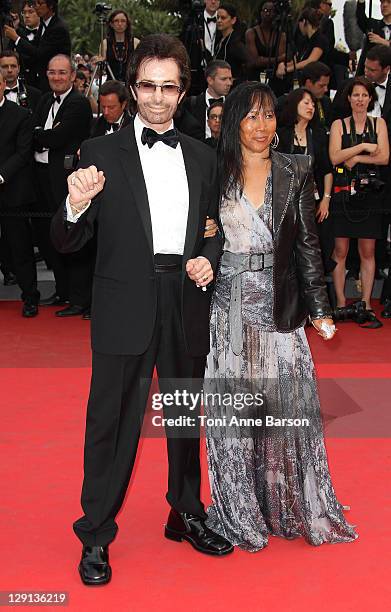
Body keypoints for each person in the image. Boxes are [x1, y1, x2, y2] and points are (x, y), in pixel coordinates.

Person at [50, 33, 233, 587]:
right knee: (111, 423)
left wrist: (207, 256)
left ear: (183, 93)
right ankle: (97, 533)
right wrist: (75, 202)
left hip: (184, 301)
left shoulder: (203, 156)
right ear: (133, 89)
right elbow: (64, 242)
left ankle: (184, 511)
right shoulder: (100, 153)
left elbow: (213, 228)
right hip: (122, 300)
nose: (157, 98)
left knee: (183, 413)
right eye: (148, 85)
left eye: (168, 87)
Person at [202, 80, 358, 551]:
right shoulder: (214, 170)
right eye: (250, 116)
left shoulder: (296, 169)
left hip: (279, 308)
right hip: (228, 308)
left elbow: (309, 245)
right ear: (233, 121)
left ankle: (287, 504)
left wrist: (319, 309)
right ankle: (240, 511)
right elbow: (196, 231)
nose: (261, 125)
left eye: (269, 115)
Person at [32, 54, 92, 315]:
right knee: (49, 238)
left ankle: (79, 298)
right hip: (41, 178)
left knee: (71, 238)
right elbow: (34, 133)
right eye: (52, 72)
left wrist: (41, 136)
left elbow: (57, 137)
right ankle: (62, 290)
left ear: (72, 76)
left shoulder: (78, 104)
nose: (56, 77)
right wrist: (42, 136)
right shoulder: (45, 100)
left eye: (62, 73)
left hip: (65, 182)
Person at [328, 76, 389, 327]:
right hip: (342, 194)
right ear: (348, 98)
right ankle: (341, 302)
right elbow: (334, 157)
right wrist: (363, 146)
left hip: (371, 196)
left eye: (364, 95)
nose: (360, 100)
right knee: (340, 251)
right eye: (356, 95)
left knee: (368, 251)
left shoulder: (379, 123)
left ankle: (365, 302)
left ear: (370, 99)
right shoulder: (339, 124)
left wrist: (356, 159)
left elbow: (384, 157)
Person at [0, 72, 38, 317]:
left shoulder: (20, 114)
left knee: (20, 247)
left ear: (2, 85)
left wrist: (0, 175)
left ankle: (30, 297)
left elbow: (24, 153)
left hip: (10, 191)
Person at [4, 0, 71, 92]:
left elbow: (39, 53)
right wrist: (17, 28)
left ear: (50, 6)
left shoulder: (58, 28)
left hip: (54, 83)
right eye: (35, 4)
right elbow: (33, 48)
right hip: (38, 83)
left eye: (40, 3)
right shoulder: (44, 24)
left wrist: (16, 38)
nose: (36, 7)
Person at [245, 1, 287, 96]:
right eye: (265, 10)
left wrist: (264, 60)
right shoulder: (251, 33)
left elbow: (282, 57)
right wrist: (279, 59)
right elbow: (255, 61)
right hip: (255, 79)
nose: (268, 13)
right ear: (260, 13)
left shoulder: (281, 35)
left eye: (271, 11)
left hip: (274, 79)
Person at [277, 61, 332, 131]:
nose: (326, 89)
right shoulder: (285, 102)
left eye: (327, 85)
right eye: (321, 86)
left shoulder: (325, 102)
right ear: (308, 83)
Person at [183, 59, 232, 138]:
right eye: (224, 79)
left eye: (230, 79)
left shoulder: (233, 104)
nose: (229, 83)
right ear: (210, 80)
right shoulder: (191, 104)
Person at [276, 8, 329, 80]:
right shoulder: (304, 41)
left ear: (304, 21)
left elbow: (311, 61)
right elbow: (296, 61)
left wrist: (287, 70)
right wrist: (283, 65)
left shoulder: (320, 39)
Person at [100, 9, 140, 83]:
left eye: (123, 21)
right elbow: (102, 69)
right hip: (111, 84)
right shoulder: (105, 43)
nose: (120, 24)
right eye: (116, 21)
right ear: (111, 24)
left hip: (130, 84)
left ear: (127, 24)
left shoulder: (136, 42)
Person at [214, 4, 249, 84]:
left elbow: (248, 62)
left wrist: (236, 79)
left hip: (234, 88)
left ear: (233, 20)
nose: (219, 20)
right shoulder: (219, 39)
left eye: (223, 18)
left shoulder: (236, 41)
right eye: (217, 17)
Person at [356, 0, 391, 74]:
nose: (384, 5)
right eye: (382, 2)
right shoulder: (372, 24)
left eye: (389, 2)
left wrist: (384, 42)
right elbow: (360, 17)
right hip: (369, 76)